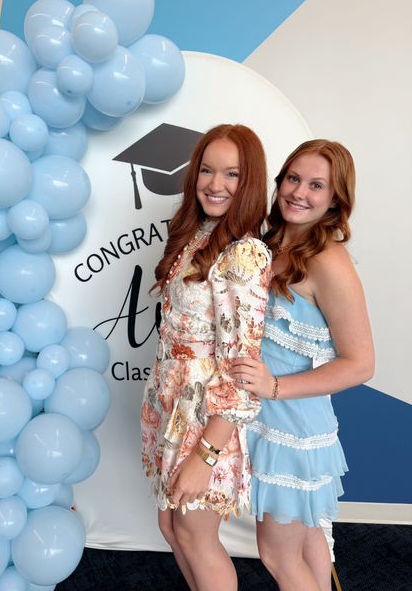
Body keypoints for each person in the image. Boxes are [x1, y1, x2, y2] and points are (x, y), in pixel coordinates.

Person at [231, 139, 375, 591]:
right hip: (265, 419)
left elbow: (360, 364)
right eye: (294, 179)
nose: (299, 192)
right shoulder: (269, 244)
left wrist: (274, 387)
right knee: (308, 538)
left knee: (278, 555)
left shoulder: (328, 261)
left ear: (335, 200)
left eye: (316, 185)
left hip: (292, 429)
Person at [141, 124, 271, 591]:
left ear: (250, 182)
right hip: (173, 403)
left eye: (232, 174)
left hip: (206, 418)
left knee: (196, 536)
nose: (216, 185)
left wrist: (206, 455)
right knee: (171, 528)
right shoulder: (196, 232)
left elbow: (242, 372)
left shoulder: (244, 254)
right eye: (207, 171)